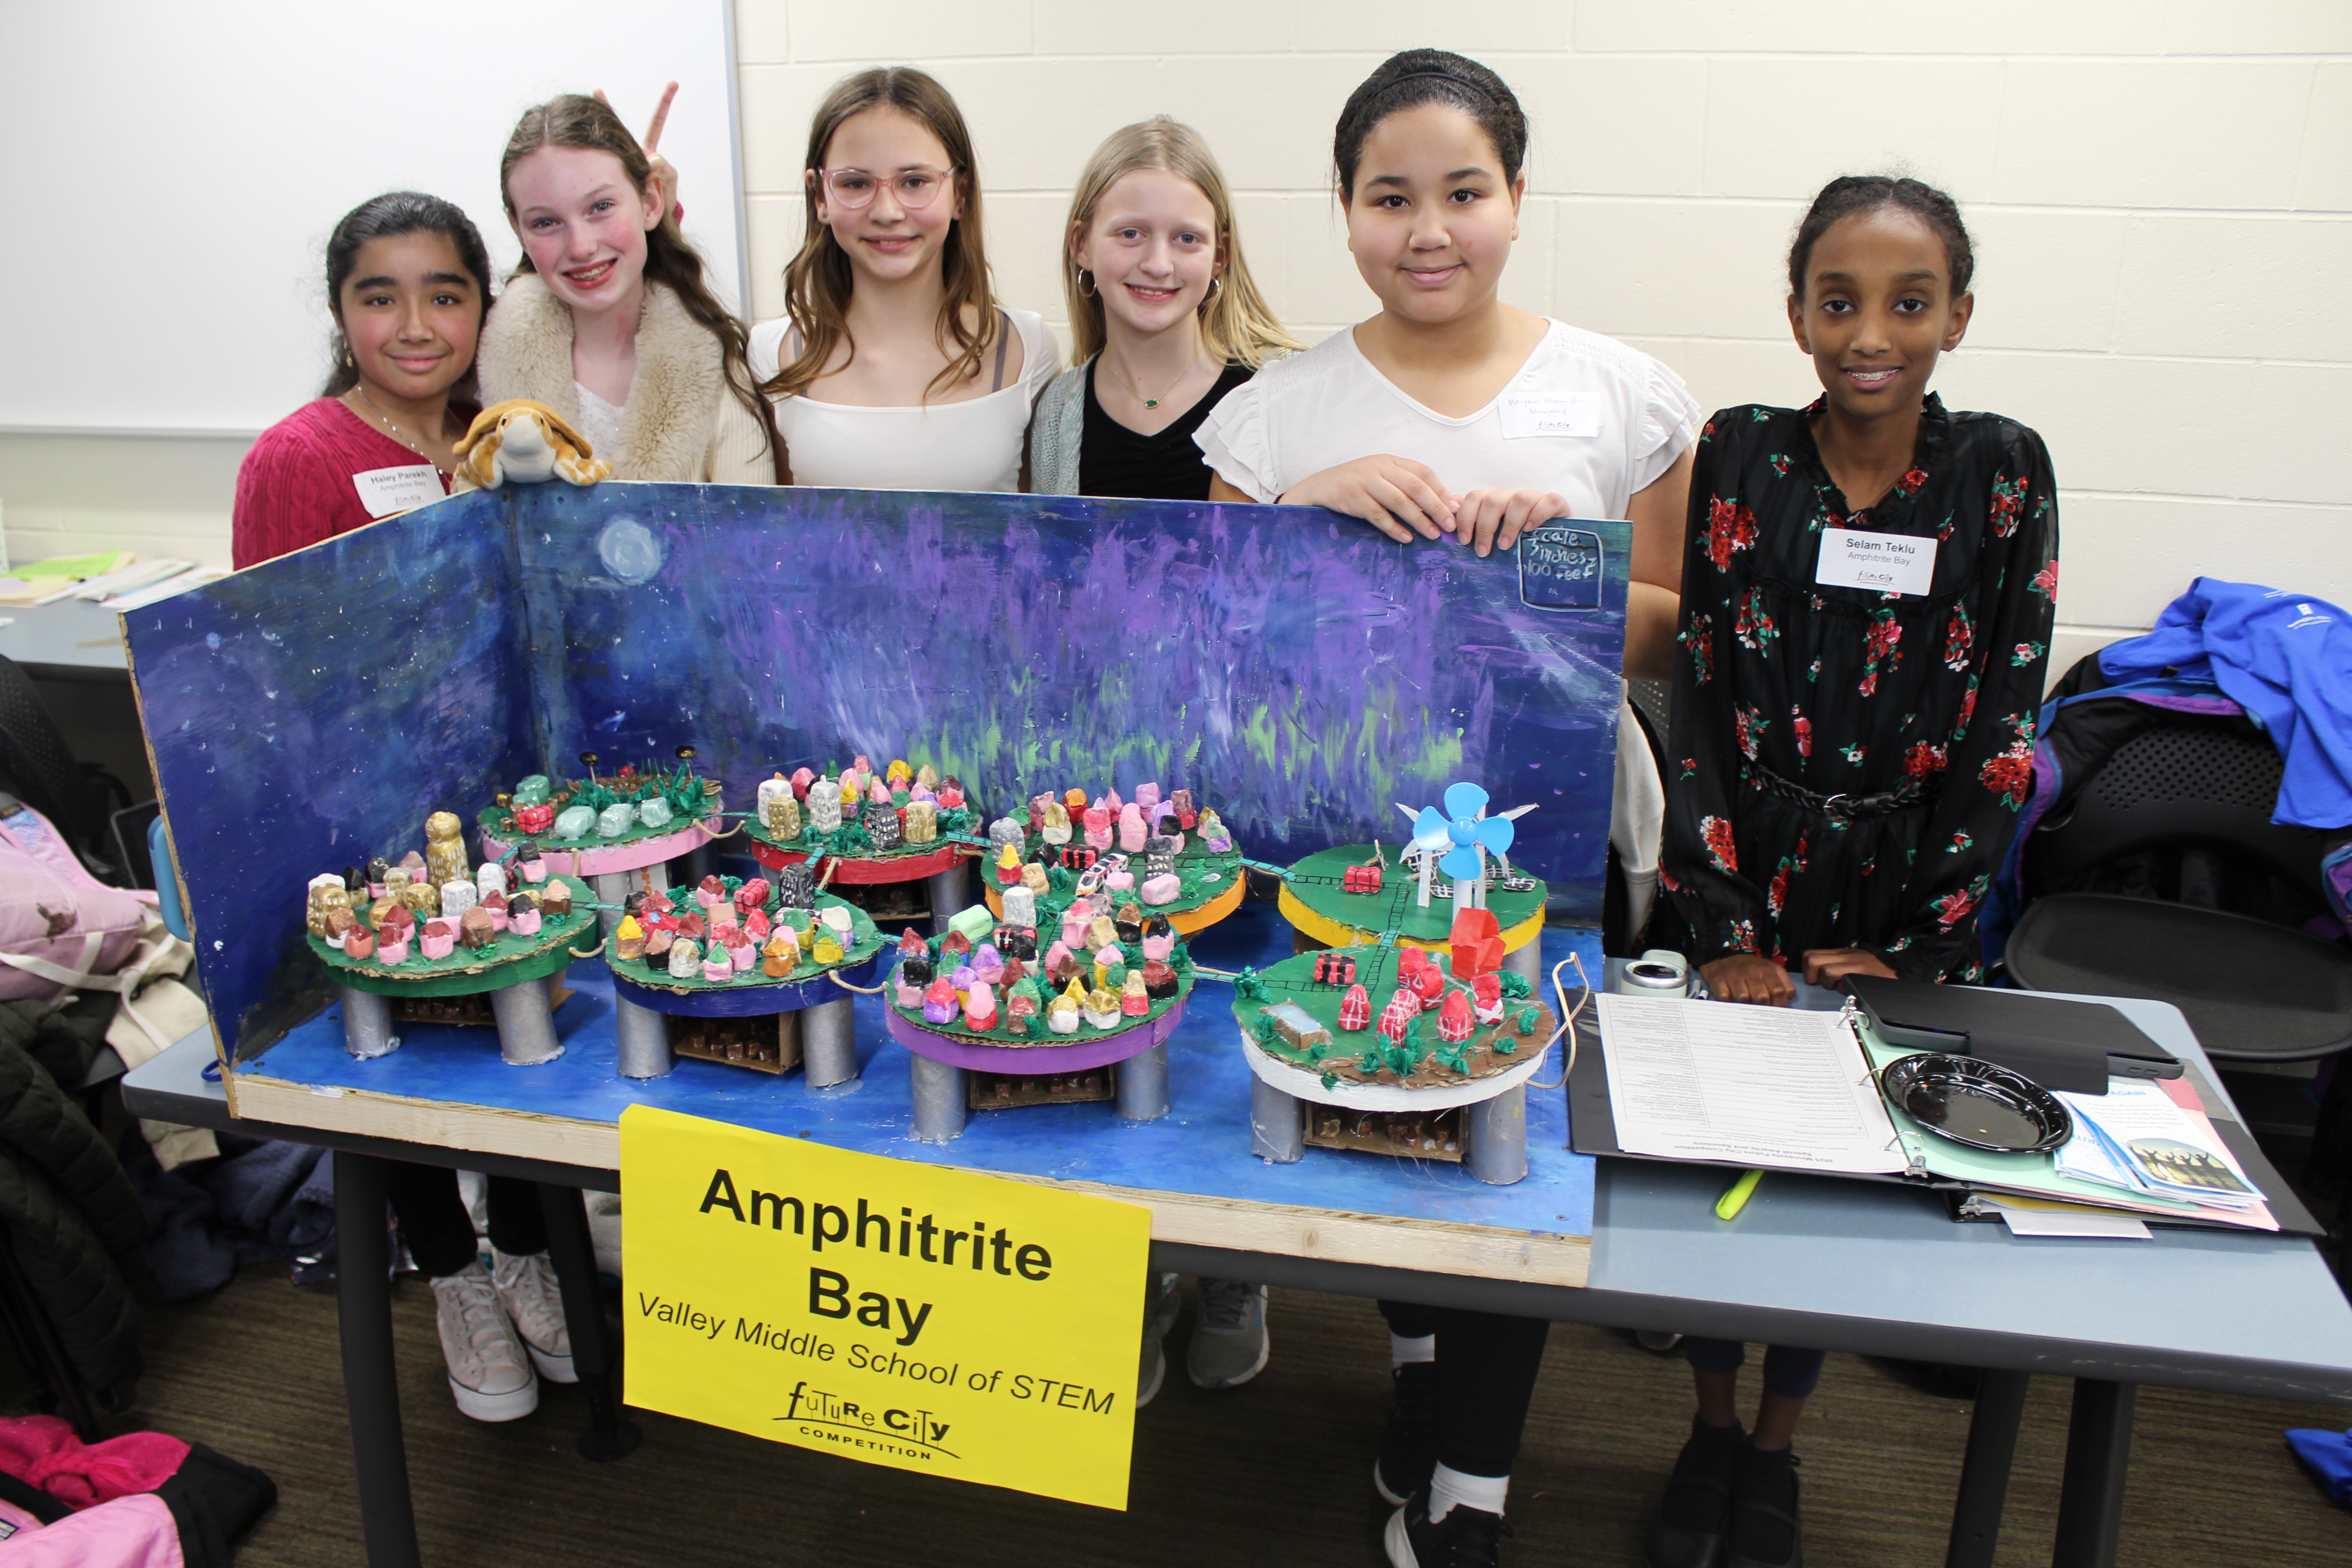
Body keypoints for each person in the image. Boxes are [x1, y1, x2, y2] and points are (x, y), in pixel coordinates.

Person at [1195, 50, 1699, 1568]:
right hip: (1347, 838)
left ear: (1517, 201)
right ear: (1343, 212)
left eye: (1462, 193)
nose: (1430, 229)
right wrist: (1306, 518)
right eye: (1390, 196)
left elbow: (1675, 622)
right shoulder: (1273, 414)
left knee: (1514, 1134)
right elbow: (1221, 637)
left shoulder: (1621, 394)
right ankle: (1418, 1364)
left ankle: (1473, 1476)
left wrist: (1559, 562)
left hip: (1549, 839)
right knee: (1379, 1088)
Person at [1645, 176, 2059, 1568]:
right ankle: (1707, 1426)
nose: (1869, 330)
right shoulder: (1743, 449)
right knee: (1721, 1170)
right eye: (1839, 299)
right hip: (1744, 866)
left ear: (1955, 315)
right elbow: (1696, 689)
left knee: (1833, 1188)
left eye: (1906, 300)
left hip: (1896, 887)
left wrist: (1927, 946)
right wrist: (1718, 921)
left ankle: (1778, 1451)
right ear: (1796, 310)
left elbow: (2007, 716)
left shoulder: (2004, 470)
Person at [1025, 115, 1299, 1402]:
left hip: (1239, 760)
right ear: (1082, 247)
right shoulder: (1049, 412)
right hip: (1101, 769)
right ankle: (1125, 1271)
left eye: (1185, 235)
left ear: (1219, 252)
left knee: (1227, 1009)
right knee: (1118, 1006)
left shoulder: (1276, 400)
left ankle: (1234, 1265)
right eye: (1128, 231)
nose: (1156, 257)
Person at [750, 67, 1058, 492]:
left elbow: (1038, 530)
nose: (888, 211)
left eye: (915, 182)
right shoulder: (771, 355)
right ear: (820, 196)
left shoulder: (1027, 349)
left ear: (961, 194)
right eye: (856, 183)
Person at [476, 92, 774, 483]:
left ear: (651, 202)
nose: (581, 247)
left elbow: (746, 535)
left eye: (601, 207)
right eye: (545, 223)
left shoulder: (722, 370)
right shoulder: (482, 361)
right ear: (518, 230)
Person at [232, 192, 489, 568]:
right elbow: (271, 624)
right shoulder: (295, 456)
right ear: (340, 315)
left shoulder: (491, 432)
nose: (416, 329)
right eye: (381, 301)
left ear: (483, 307)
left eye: (445, 299)